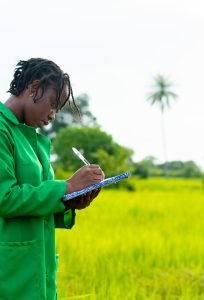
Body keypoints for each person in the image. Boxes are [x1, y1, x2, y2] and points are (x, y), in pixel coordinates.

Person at [0, 58, 104, 300]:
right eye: (53, 104)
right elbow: (4, 197)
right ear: (34, 88)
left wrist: (69, 200)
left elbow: (37, 203)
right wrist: (65, 187)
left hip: (37, 268)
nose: (53, 115)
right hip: (9, 273)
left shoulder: (31, 139)